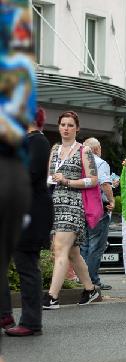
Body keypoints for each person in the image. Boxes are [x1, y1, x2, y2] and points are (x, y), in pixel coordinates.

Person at [0, 108, 52, 336]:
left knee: (27, 266)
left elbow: (28, 174)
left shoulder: (38, 141)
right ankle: (4, 314)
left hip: (32, 212)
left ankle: (31, 322)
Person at [44, 111, 100, 309]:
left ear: (77, 128)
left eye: (70, 125)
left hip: (73, 204)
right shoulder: (55, 149)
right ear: (58, 127)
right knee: (72, 253)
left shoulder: (84, 151)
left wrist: (68, 181)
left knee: (60, 249)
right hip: (55, 205)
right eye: (63, 125)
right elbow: (49, 177)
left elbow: (94, 180)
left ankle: (52, 297)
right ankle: (90, 289)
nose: (66, 128)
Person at [80, 138, 115, 291]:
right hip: (97, 209)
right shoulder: (100, 163)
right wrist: (112, 200)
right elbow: (104, 184)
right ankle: (93, 280)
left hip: (81, 207)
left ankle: (82, 280)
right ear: (97, 149)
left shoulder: (79, 161)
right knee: (96, 246)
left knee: (84, 245)